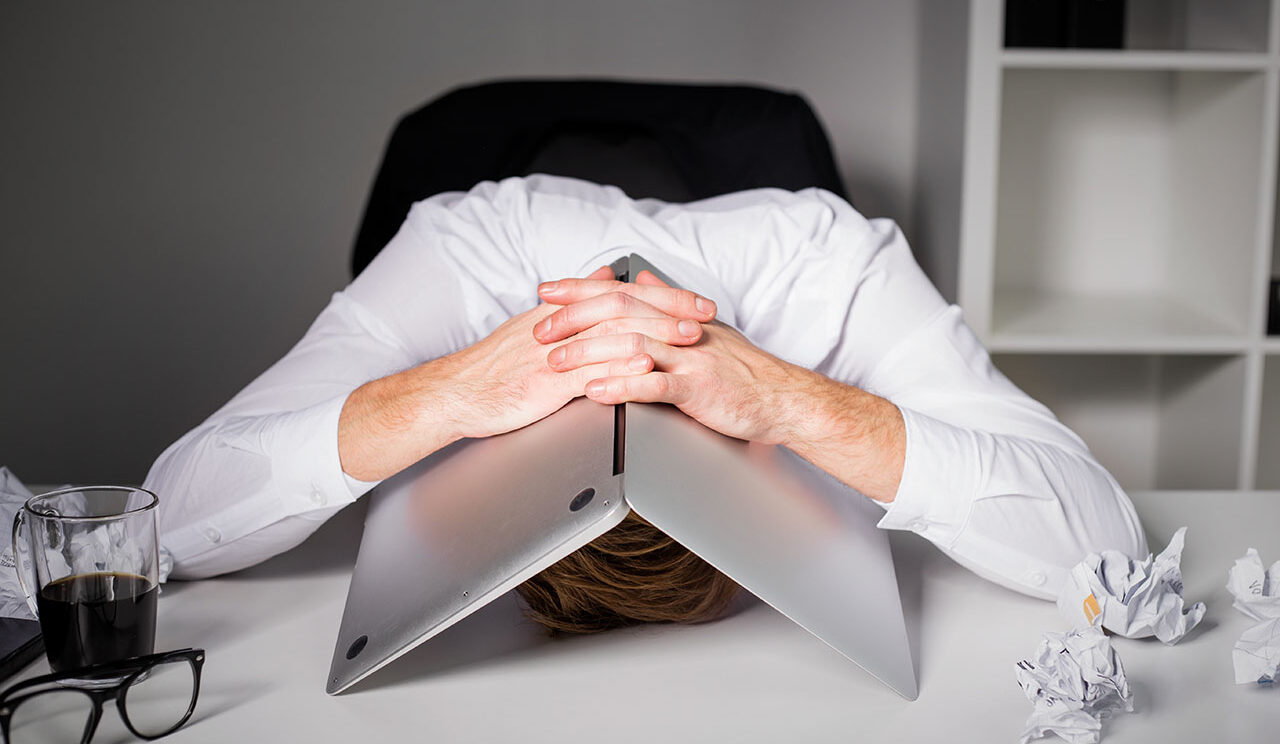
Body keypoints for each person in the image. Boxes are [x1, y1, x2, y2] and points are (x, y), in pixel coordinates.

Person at [144, 175, 1147, 633]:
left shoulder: (834, 269)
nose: (629, 382)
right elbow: (165, 525)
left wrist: (791, 401)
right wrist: (450, 392)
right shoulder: (460, 255)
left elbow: (1107, 552)